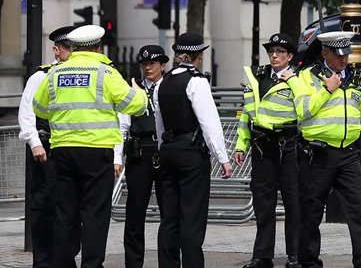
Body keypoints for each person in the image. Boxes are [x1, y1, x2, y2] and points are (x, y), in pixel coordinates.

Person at [32, 24, 148, 268]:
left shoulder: (54, 73)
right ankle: (92, 265)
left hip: (62, 150)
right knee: (95, 214)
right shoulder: (105, 73)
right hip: (96, 152)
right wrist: (139, 92)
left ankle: (63, 263)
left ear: (73, 48)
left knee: (65, 213)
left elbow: (39, 107)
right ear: (98, 47)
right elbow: (134, 106)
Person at [289, 31, 361, 268]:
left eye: (346, 54)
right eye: (338, 56)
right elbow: (302, 111)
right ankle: (308, 261)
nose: (343, 60)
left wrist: (354, 133)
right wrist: (326, 91)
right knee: (311, 211)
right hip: (318, 155)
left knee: (360, 209)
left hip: (347, 153)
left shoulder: (356, 77)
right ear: (325, 53)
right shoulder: (306, 77)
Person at [156, 32, 233, 268]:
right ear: (198, 55)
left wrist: (162, 148)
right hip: (190, 152)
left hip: (168, 150)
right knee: (192, 216)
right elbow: (209, 123)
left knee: (169, 217)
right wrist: (223, 158)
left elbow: (160, 122)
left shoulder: (164, 81)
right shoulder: (196, 81)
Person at [235, 33, 303, 268]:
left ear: (290, 56)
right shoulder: (257, 76)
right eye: (271, 51)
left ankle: (295, 255)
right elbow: (247, 114)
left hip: (288, 145)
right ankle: (262, 256)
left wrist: (293, 80)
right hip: (262, 146)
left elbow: (307, 109)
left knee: (293, 202)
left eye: (280, 52)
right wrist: (240, 145)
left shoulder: (299, 79)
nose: (274, 55)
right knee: (263, 204)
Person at [18, 25, 78, 268]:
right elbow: (26, 112)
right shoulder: (41, 76)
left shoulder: (82, 76)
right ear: (56, 50)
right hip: (47, 150)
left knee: (71, 210)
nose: (71, 53)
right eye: (67, 49)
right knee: (45, 209)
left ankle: (66, 259)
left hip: (72, 149)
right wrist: (34, 143)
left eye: (75, 49)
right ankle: (44, 263)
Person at [118, 45, 170, 268]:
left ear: (162, 66)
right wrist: (116, 157)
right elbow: (122, 124)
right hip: (140, 152)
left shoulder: (169, 87)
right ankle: (133, 263)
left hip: (165, 152)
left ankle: (167, 262)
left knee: (169, 212)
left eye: (153, 64)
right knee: (135, 213)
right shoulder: (133, 89)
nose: (148, 68)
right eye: (144, 64)